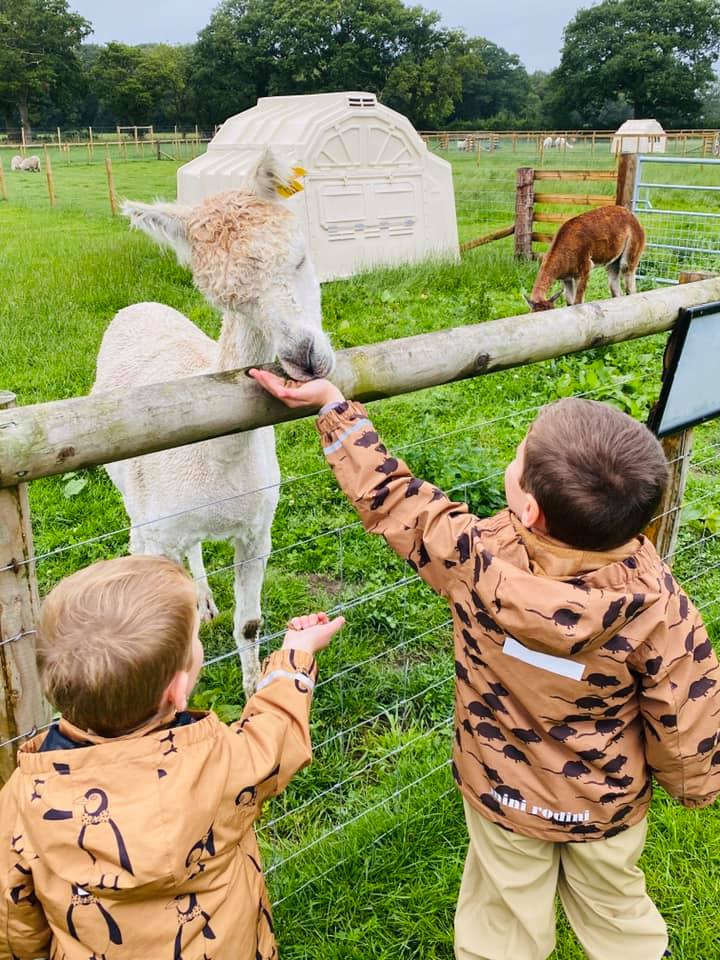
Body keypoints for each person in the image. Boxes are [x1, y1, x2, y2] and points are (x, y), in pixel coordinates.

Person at [250, 368, 720, 960]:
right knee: (618, 913)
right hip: (607, 806)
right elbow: (688, 715)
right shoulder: (662, 610)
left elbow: (396, 501)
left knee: (502, 922)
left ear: (528, 507)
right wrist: (697, 790)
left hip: (504, 793)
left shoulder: (474, 560)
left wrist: (334, 408)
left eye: (518, 457)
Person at [0, 554, 343, 960]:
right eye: (196, 640)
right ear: (176, 692)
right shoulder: (223, 764)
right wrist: (294, 658)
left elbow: (12, 916)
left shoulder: (25, 796)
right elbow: (276, 732)